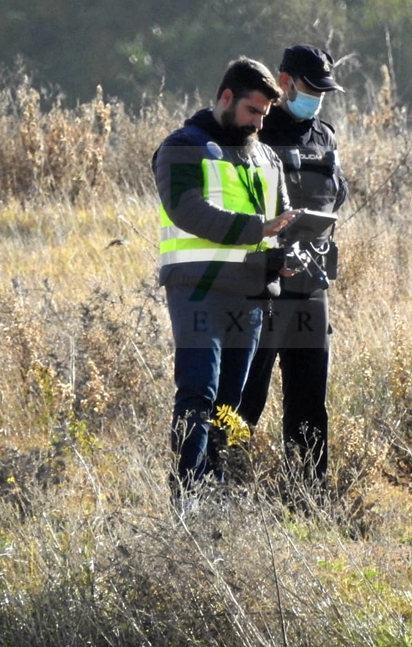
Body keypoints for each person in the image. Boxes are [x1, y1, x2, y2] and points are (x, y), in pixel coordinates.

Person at [153, 56, 298, 500]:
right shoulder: (182, 147)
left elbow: (283, 221)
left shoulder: (266, 156)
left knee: (230, 407)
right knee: (198, 392)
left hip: (252, 295)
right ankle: (187, 499)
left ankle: (217, 495)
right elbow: (187, 209)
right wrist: (257, 230)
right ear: (227, 97)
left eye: (264, 115)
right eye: (252, 111)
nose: (258, 122)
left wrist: (286, 256)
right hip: (198, 290)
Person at [238, 45, 349, 488]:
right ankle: (224, 488)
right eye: (309, 87)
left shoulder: (326, 134)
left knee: (308, 399)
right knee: (246, 395)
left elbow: (336, 196)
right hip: (261, 282)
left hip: (310, 284)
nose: (317, 97)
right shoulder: (257, 131)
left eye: (325, 90)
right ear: (284, 83)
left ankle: (307, 494)